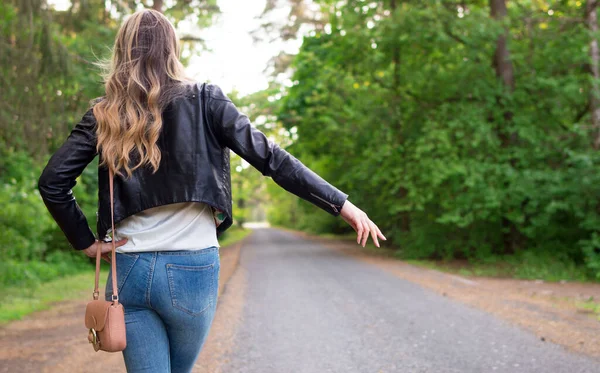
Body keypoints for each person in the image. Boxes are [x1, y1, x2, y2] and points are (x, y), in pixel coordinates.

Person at [37, 8, 386, 373]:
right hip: (191, 267)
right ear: (172, 49)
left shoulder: (105, 114)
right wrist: (341, 204)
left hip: (129, 270)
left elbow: (53, 182)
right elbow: (272, 158)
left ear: (122, 52)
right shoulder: (207, 100)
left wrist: (87, 243)